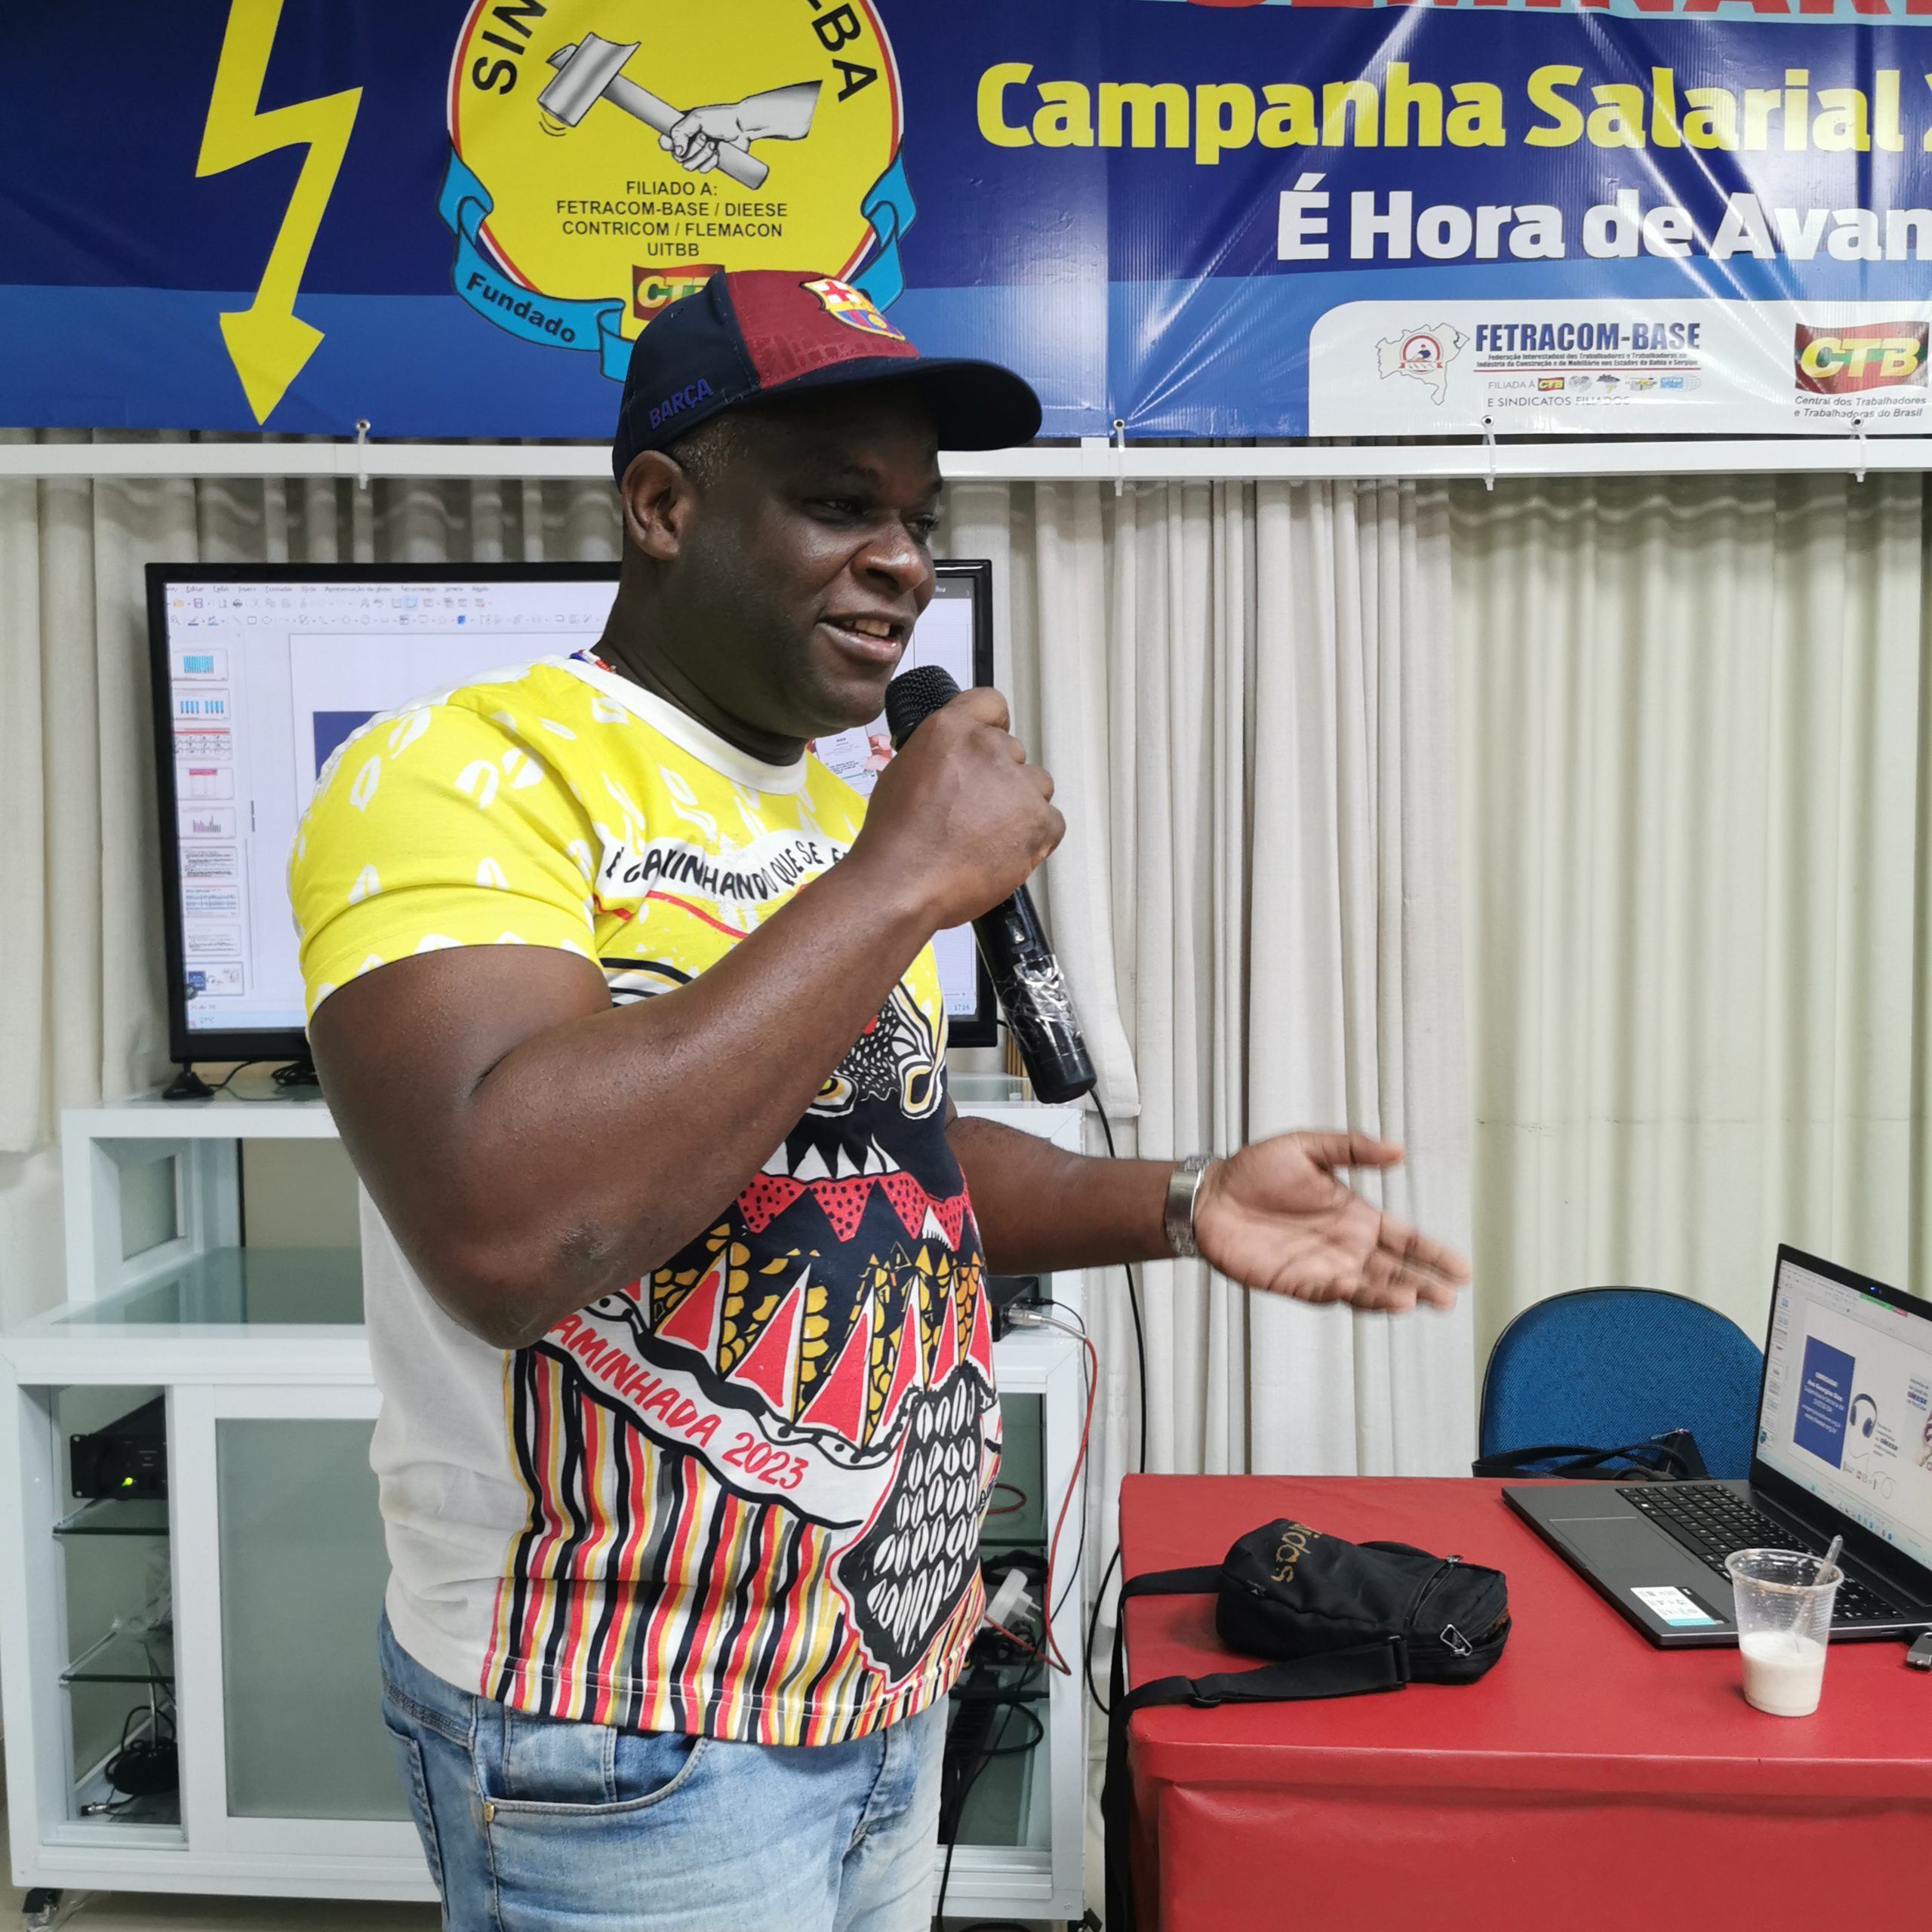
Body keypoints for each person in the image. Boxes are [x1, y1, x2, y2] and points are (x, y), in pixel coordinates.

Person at [288, 269, 1468, 1932]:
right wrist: (900, 878)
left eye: (916, 518)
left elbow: (885, 1156)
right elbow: (508, 1226)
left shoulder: (831, 816)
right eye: (840, 505)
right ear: (661, 505)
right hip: (627, 1725)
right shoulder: (463, 769)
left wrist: (1185, 1199)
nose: (903, 560)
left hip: (878, 1684)